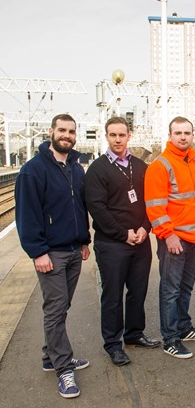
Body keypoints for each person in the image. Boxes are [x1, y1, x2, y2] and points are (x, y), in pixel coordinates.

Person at [15, 114, 91, 399]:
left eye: (71, 131)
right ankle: (63, 369)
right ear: (51, 132)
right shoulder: (33, 170)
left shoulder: (75, 168)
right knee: (56, 309)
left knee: (62, 306)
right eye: (62, 130)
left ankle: (50, 356)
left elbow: (80, 206)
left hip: (73, 249)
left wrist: (84, 239)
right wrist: (37, 252)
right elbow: (27, 214)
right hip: (51, 254)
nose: (67, 135)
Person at [85, 116, 160, 367]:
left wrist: (144, 228)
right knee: (113, 296)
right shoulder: (97, 169)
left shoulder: (140, 166)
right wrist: (123, 234)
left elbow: (151, 201)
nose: (118, 139)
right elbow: (97, 208)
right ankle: (113, 344)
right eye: (113, 135)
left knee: (138, 292)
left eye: (122, 135)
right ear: (106, 136)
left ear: (130, 136)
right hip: (112, 244)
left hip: (140, 240)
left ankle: (134, 334)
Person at [144, 116, 195, 359]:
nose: (183, 136)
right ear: (169, 136)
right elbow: (155, 206)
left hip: (192, 238)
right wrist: (168, 235)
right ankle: (170, 338)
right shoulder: (160, 165)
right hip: (173, 239)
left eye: (187, 132)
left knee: (185, 286)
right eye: (178, 132)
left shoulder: (194, 163)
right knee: (170, 289)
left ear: (193, 136)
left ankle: (183, 327)